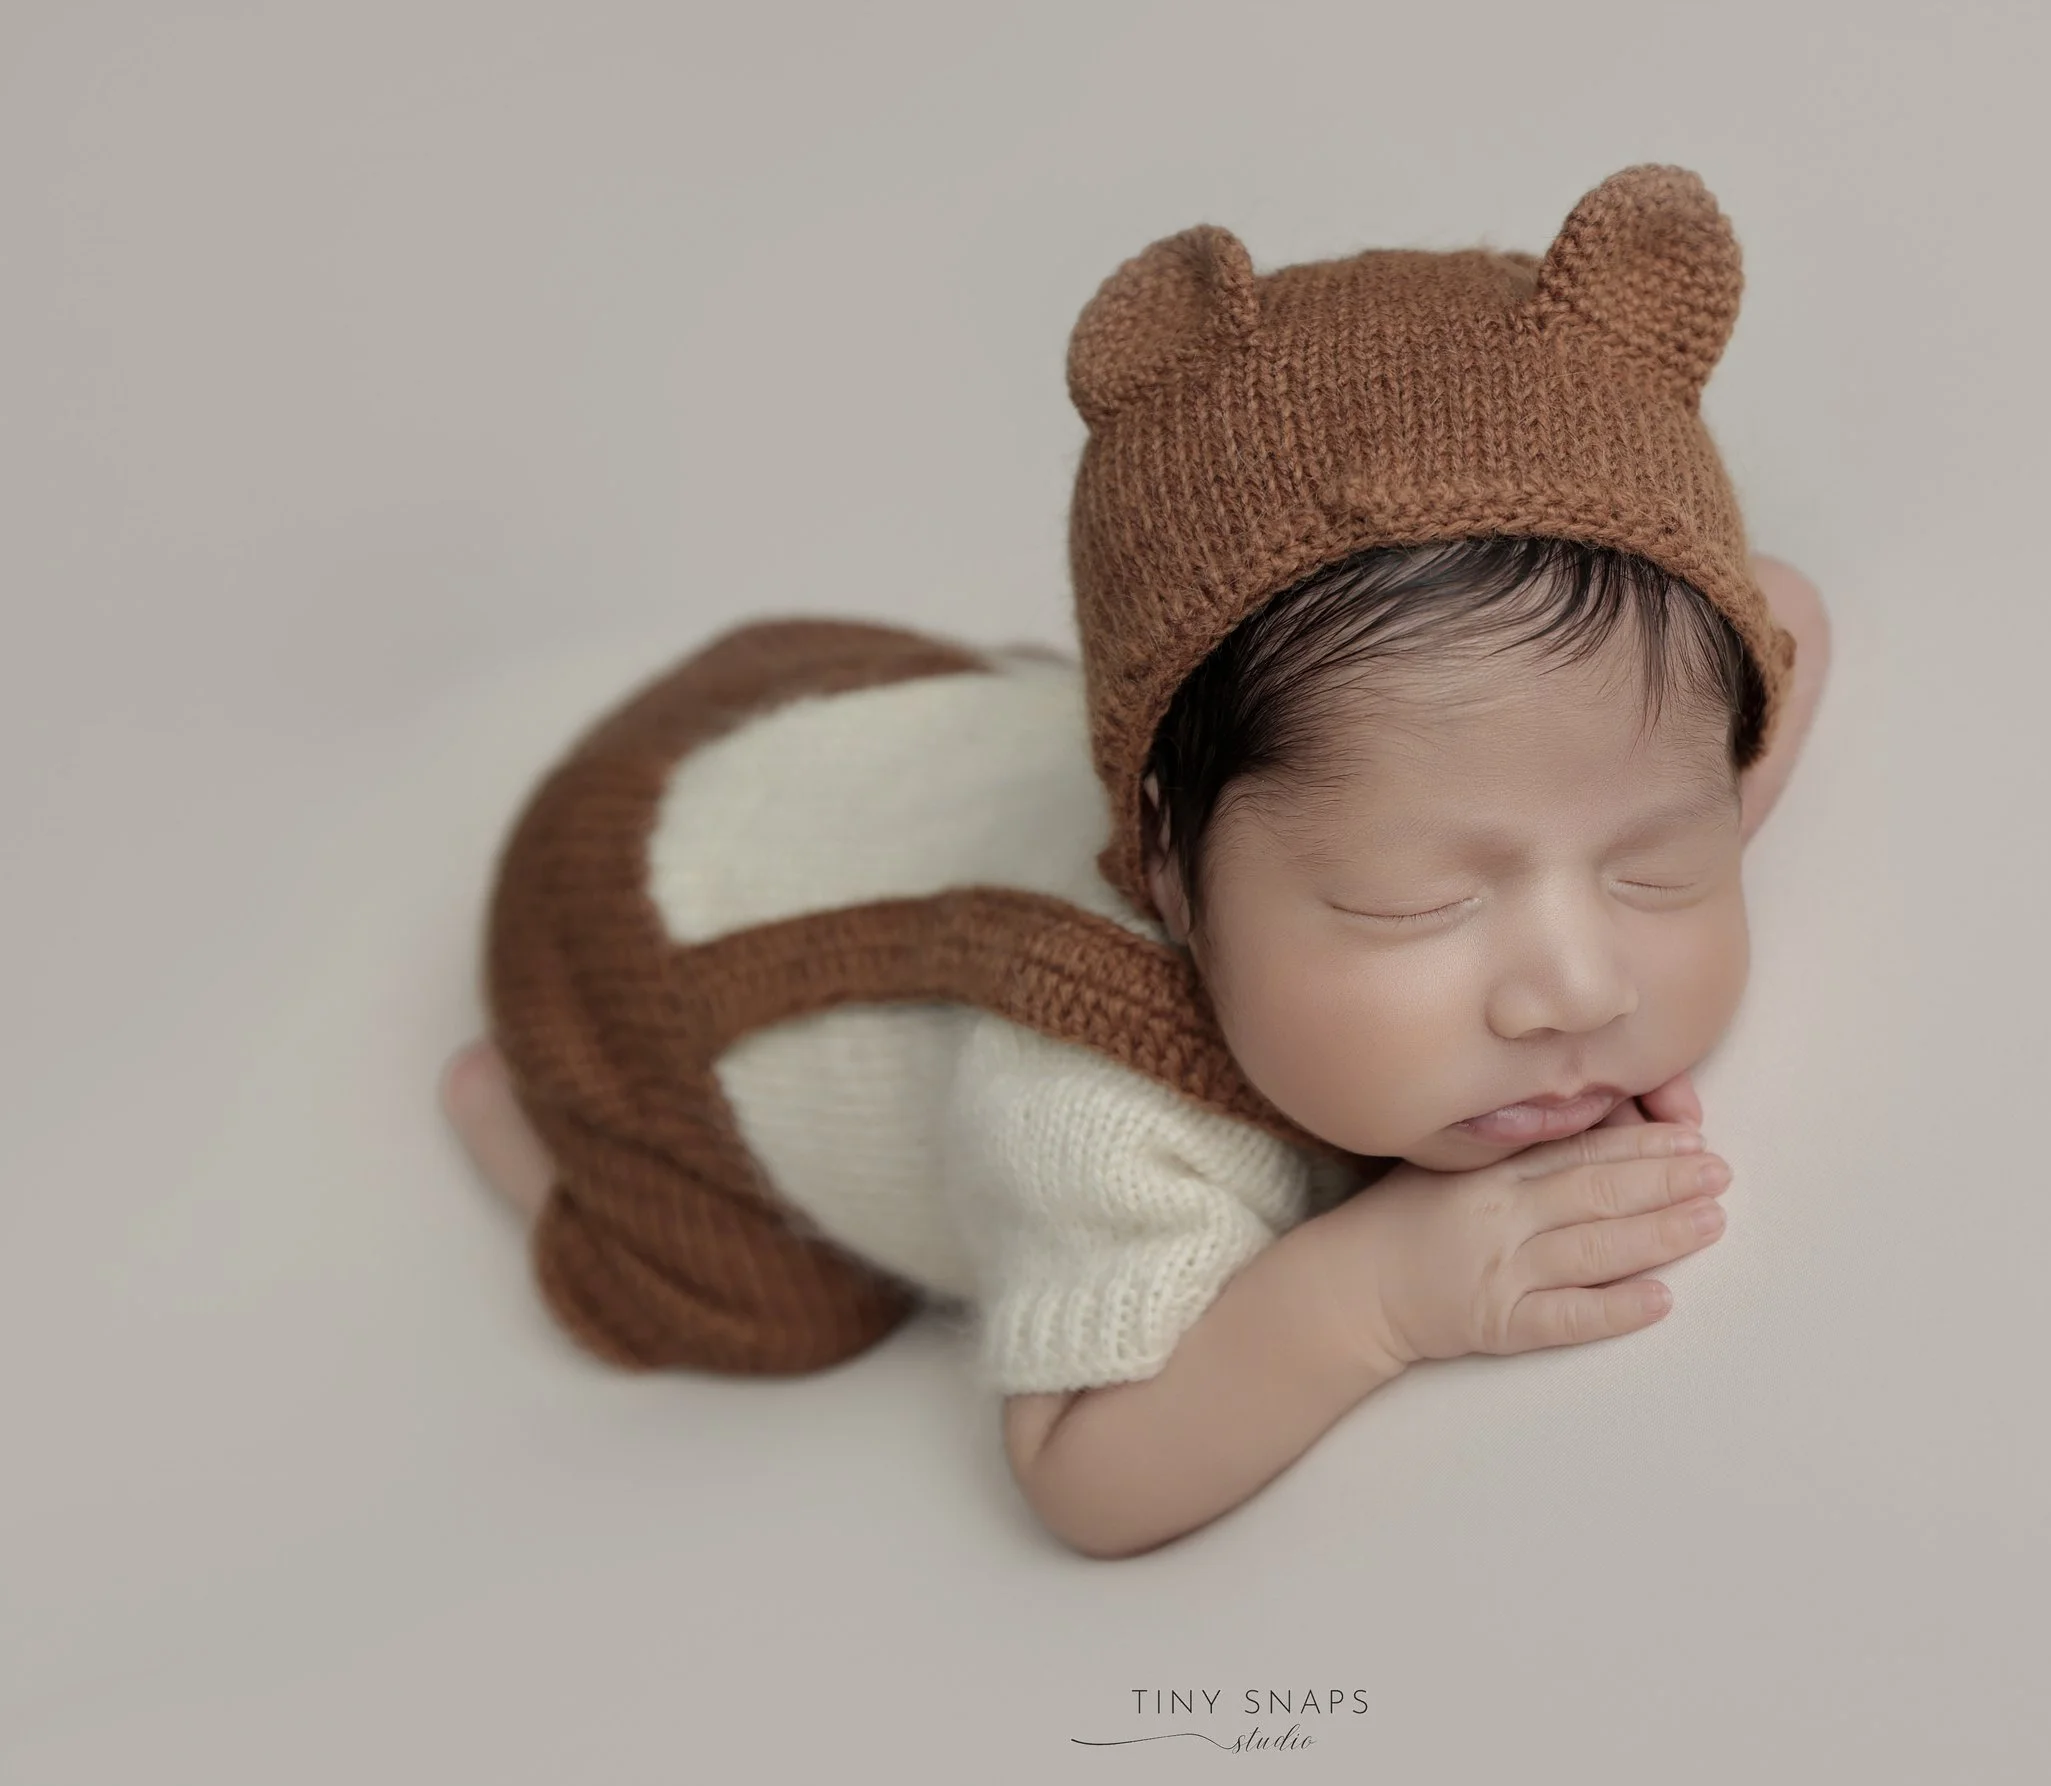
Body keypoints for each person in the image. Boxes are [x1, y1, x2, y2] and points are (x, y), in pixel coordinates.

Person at [439, 163, 1832, 1560]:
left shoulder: (1461, 789)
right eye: (1419, 902)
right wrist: (1380, 1293)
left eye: (1656, 867)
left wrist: (1675, 799)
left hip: (840, 725)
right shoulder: (1103, 1113)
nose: (1577, 987)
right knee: (785, 1304)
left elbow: (1780, 615)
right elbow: (1081, 1477)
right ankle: (519, 1123)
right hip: (642, 975)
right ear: (1164, 862)